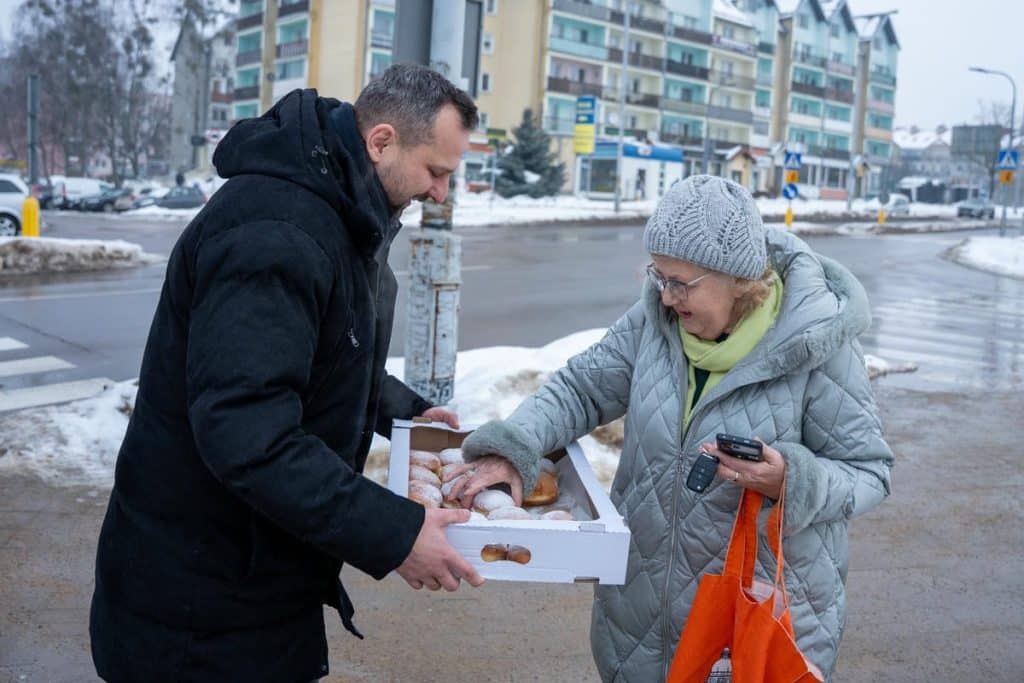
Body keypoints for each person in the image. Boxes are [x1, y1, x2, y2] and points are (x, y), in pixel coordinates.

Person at [90, 65, 484, 682]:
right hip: (197, 608)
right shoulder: (276, 231)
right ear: (381, 142)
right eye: (436, 172)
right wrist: (394, 533)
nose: (441, 193)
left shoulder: (335, 205)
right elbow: (248, 430)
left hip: (252, 580)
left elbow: (319, 353)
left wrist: (402, 412)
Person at [448, 175, 894, 681]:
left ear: (738, 279)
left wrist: (792, 479)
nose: (664, 297)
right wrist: (516, 446)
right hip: (639, 619)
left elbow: (868, 471)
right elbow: (579, 389)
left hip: (753, 624)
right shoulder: (654, 325)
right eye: (658, 277)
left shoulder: (818, 347)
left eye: (680, 283)